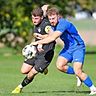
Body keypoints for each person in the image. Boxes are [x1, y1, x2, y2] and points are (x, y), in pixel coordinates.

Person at [31, 7, 96, 95]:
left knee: (78, 70)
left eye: (53, 18)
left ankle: (93, 88)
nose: (51, 21)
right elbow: (50, 35)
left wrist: (37, 43)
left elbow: (53, 38)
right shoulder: (54, 25)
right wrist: (40, 37)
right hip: (68, 48)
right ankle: (78, 74)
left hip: (78, 47)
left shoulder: (63, 24)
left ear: (58, 16)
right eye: (50, 19)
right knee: (60, 66)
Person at [12, 7, 56, 93]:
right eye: (32, 18)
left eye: (36, 18)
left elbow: (52, 35)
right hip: (35, 52)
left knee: (32, 73)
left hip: (45, 54)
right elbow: (43, 7)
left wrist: (41, 40)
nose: (34, 20)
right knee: (23, 70)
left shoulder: (46, 25)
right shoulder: (36, 24)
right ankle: (42, 68)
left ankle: (20, 87)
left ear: (41, 17)